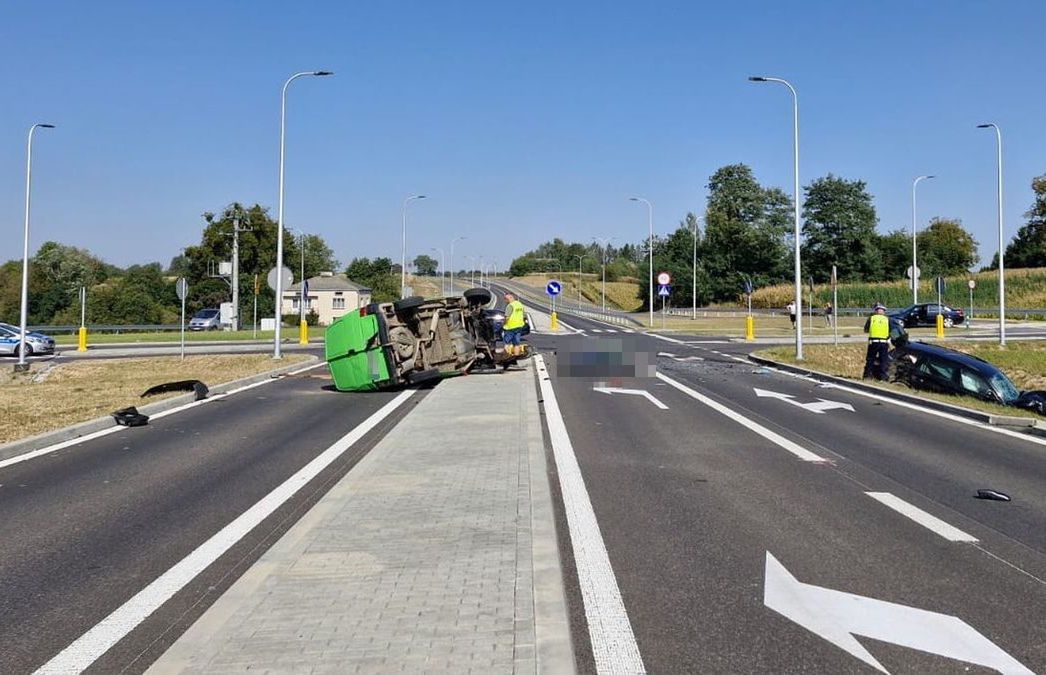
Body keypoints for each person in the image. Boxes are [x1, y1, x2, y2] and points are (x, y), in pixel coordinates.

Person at [863, 303, 891, 380]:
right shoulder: (887, 319)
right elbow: (891, 331)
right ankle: (883, 377)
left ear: (876, 311)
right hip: (883, 342)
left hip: (873, 342)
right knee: (883, 360)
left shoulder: (871, 318)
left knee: (870, 359)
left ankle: (867, 376)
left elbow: (866, 330)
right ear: (884, 311)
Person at [502, 292, 527, 357]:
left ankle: (506, 357)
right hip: (519, 326)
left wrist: (503, 324)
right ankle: (516, 357)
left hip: (510, 327)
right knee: (516, 343)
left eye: (506, 299)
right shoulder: (519, 304)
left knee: (507, 343)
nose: (505, 301)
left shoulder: (510, 306)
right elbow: (524, 316)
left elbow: (507, 317)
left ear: (511, 297)